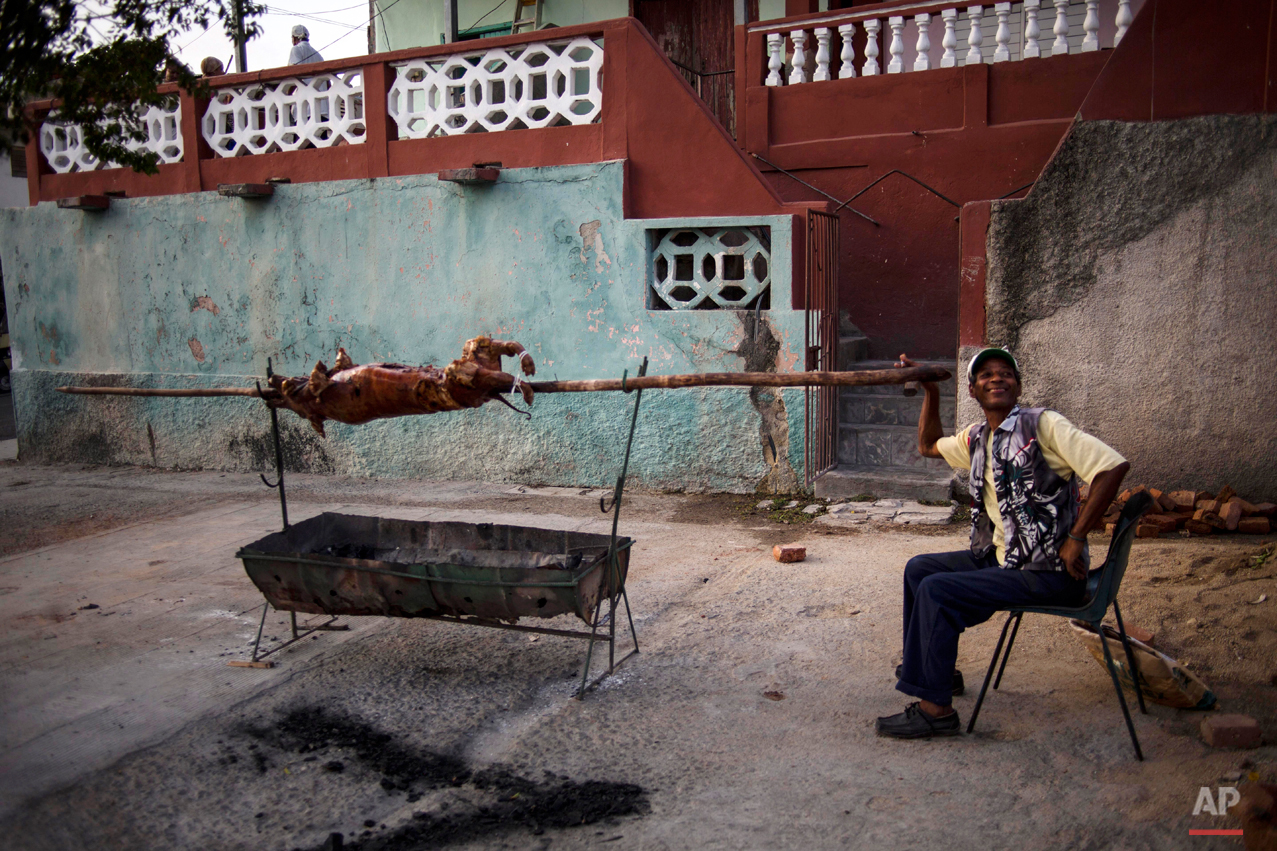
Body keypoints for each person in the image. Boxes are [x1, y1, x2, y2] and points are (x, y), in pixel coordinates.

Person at [876, 347, 1130, 739]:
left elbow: (1112, 467)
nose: (997, 378)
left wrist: (1076, 538)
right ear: (974, 391)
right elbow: (928, 446)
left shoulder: (1044, 426)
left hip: (1048, 571)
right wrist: (930, 393)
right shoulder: (979, 437)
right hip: (1004, 558)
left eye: (1006, 373)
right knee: (920, 568)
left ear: (1018, 386)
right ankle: (935, 671)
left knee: (937, 590)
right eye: (986, 375)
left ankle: (936, 711)